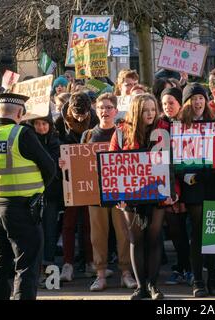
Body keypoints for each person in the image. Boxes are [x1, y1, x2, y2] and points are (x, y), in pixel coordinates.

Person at [0, 93, 56, 299]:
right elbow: (50, 168)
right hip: (22, 209)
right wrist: (38, 190)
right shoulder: (22, 134)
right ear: (20, 113)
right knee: (26, 266)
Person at [110, 93, 171, 300]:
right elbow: (112, 164)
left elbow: (173, 162)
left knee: (154, 239)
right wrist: (117, 195)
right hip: (131, 194)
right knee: (136, 239)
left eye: (153, 109)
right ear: (136, 111)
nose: (150, 114)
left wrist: (174, 191)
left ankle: (153, 285)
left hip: (158, 191)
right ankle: (141, 287)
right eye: (146, 110)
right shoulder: (120, 132)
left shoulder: (165, 129)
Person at [178, 83, 215, 297]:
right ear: (187, 103)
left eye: (201, 98)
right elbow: (175, 160)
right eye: (194, 99)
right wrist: (188, 177)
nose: (198, 102)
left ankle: (213, 280)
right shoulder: (180, 126)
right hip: (194, 186)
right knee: (199, 235)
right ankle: (198, 281)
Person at [81, 93, 136, 292]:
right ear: (96, 110)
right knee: (97, 235)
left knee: (123, 232)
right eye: (101, 107)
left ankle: (126, 273)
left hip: (119, 192)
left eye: (108, 107)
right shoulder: (88, 135)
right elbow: (79, 163)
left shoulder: (123, 133)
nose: (105, 111)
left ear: (115, 110)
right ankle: (100, 274)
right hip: (94, 193)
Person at [55, 92, 99, 281]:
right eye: (77, 114)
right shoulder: (59, 122)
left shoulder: (95, 119)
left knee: (90, 223)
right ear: (69, 110)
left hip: (89, 177)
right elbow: (55, 144)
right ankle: (68, 264)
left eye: (83, 115)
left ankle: (91, 262)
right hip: (69, 178)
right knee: (69, 223)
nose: (80, 118)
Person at [158, 88, 194, 286]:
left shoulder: (188, 124)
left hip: (189, 184)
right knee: (175, 230)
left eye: (171, 103)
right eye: (164, 104)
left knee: (189, 230)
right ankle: (181, 267)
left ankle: (190, 268)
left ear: (180, 103)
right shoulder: (160, 125)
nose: (167, 107)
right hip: (170, 185)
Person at [29, 113, 63, 286]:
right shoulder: (27, 140)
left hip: (50, 196)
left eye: (44, 123)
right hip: (32, 194)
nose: (41, 127)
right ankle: (34, 269)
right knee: (34, 233)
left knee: (49, 232)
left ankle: (48, 267)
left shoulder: (56, 142)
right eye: (37, 123)